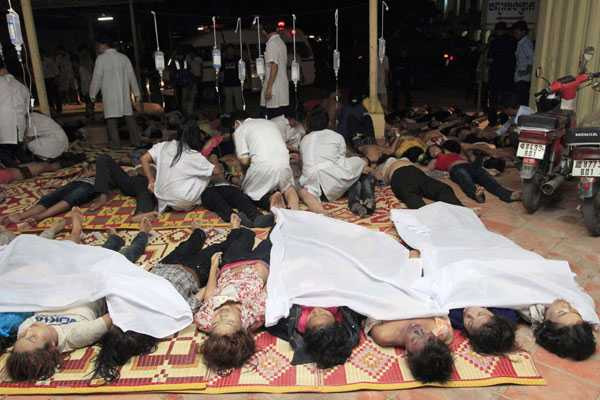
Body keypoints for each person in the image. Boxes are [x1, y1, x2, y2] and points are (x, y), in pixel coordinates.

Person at [194, 214, 273, 372]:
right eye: (229, 322)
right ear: (242, 329)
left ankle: (237, 229)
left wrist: (213, 268)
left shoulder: (203, 320)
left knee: (245, 235)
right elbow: (270, 286)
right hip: (260, 263)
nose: (222, 315)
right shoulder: (256, 314)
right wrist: (275, 265)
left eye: (216, 323)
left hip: (230, 265)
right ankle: (279, 219)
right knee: (274, 239)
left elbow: (210, 297)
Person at [297, 107, 367, 215]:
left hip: (312, 185)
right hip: (334, 184)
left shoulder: (304, 139)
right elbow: (341, 159)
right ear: (328, 122)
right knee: (359, 161)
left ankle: (319, 210)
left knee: (303, 191)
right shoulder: (336, 136)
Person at [140, 121, 214, 213]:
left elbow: (143, 158)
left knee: (165, 171)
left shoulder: (163, 145)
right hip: (182, 201)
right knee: (206, 175)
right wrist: (208, 150)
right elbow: (215, 171)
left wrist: (151, 181)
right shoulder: (192, 154)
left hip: (162, 198)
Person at [233, 114, 299, 210]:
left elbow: (244, 161)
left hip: (263, 165)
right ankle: (295, 211)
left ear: (236, 123)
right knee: (288, 188)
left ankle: (271, 199)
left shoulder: (240, 129)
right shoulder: (269, 123)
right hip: (284, 162)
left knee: (249, 195)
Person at [267, 305, 364, 368]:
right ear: (336, 321)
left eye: (313, 315)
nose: (317, 310)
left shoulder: (299, 321)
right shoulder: (341, 316)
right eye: (325, 314)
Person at [1, 164, 97, 226]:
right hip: (74, 184)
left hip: (89, 186)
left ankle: (39, 217)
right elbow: (70, 181)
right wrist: (56, 186)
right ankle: (21, 215)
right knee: (50, 197)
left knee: (71, 198)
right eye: (90, 169)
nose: (91, 172)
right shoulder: (81, 176)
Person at [89, 34, 142, 148]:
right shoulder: (124, 58)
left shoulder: (101, 59)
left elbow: (97, 78)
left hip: (110, 94)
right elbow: (132, 76)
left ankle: (115, 143)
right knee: (129, 116)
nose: (97, 48)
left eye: (98, 45)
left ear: (103, 45)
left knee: (111, 118)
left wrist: (92, 93)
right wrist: (136, 92)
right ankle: (136, 141)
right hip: (123, 93)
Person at [366, 316, 454, 383]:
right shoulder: (439, 328)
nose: (417, 328)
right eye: (430, 338)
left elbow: (371, 313)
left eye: (413, 339)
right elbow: (447, 330)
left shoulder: (384, 335)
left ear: (406, 352)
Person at [426, 144, 521, 203]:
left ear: (441, 149)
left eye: (435, 148)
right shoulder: (434, 161)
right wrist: (444, 174)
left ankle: (508, 195)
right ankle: (477, 195)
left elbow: (467, 158)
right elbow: (428, 172)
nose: (433, 150)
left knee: (487, 179)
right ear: (431, 155)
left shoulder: (452, 154)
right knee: (464, 178)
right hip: (455, 169)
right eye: (431, 151)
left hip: (470, 166)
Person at [202, 154, 275, 228]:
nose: (217, 165)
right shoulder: (203, 174)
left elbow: (235, 180)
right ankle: (235, 217)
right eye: (212, 162)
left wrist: (239, 182)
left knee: (239, 195)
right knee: (215, 199)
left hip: (227, 189)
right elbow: (213, 175)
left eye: (217, 162)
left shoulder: (224, 173)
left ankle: (256, 217)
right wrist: (213, 171)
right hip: (210, 192)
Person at [375, 156, 463, 209]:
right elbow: (378, 178)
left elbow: (426, 169)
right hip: (398, 175)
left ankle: (462, 213)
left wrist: (441, 173)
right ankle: (429, 223)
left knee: (443, 189)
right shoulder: (382, 165)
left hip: (416, 173)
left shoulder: (406, 159)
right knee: (412, 198)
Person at [90, 154, 157, 221]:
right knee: (103, 158)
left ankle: (142, 212)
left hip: (148, 181)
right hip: (129, 179)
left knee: (143, 183)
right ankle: (102, 196)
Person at [0, 56, 30, 168]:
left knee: (5, 153)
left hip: (4, 126)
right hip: (19, 125)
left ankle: (18, 171)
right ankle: (27, 167)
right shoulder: (21, 86)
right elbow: (27, 108)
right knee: (16, 149)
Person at [449, 307, 517, 355]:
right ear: (492, 314)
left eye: (470, 323)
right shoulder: (506, 313)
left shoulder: (455, 318)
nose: (470, 312)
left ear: (469, 334)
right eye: (480, 314)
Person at [487, 22, 517, 126]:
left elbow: (490, 59)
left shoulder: (494, 42)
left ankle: (493, 120)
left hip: (495, 74)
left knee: (493, 100)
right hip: (508, 75)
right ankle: (504, 120)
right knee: (506, 100)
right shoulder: (513, 41)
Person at [260, 19, 289, 119]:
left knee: (272, 119)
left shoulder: (271, 44)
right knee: (280, 119)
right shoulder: (280, 42)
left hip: (275, 89)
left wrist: (269, 88)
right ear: (276, 29)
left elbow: (274, 66)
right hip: (281, 88)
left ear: (264, 31)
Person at [512, 21, 534, 106]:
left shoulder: (526, 44)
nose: (515, 35)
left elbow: (532, 58)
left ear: (523, 32)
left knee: (522, 101)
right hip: (520, 77)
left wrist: (526, 71)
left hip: (523, 79)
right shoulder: (521, 43)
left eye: (517, 32)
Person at [222, 44, 243, 115]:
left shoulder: (238, 59)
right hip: (227, 84)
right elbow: (222, 72)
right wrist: (221, 83)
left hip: (237, 83)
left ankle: (240, 115)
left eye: (231, 49)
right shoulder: (224, 60)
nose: (230, 51)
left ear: (234, 50)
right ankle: (229, 115)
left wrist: (243, 79)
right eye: (228, 50)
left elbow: (242, 69)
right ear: (226, 51)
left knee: (238, 101)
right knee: (228, 101)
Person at [55, 46, 75, 113]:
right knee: (62, 90)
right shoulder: (58, 57)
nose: (60, 52)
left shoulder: (67, 56)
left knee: (72, 88)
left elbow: (70, 65)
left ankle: (70, 99)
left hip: (69, 74)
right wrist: (58, 76)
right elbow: (57, 66)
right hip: (62, 75)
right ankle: (63, 102)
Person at [42, 50, 60, 114]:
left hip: (52, 79)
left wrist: (56, 78)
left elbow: (55, 69)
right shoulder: (38, 62)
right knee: (48, 95)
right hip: (45, 80)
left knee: (55, 94)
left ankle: (59, 109)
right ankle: (51, 108)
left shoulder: (49, 60)